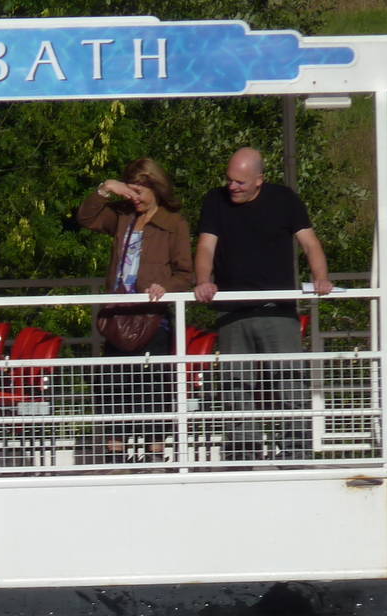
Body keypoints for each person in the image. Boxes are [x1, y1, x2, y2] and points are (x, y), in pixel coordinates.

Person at [193, 147, 333, 464]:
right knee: (235, 385)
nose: (233, 187)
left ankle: (296, 452)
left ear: (260, 180)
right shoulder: (215, 201)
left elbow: (310, 243)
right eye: (229, 180)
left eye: (240, 182)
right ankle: (243, 453)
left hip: (278, 310)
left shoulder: (284, 199)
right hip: (233, 310)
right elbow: (205, 246)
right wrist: (203, 280)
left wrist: (321, 278)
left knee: (290, 382)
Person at [76, 158, 193, 462]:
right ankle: (116, 456)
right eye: (132, 192)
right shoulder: (123, 217)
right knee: (113, 385)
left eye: (140, 192)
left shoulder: (174, 223)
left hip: (152, 318)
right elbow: (86, 218)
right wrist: (105, 189)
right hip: (118, 314)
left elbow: (186, 274)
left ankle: (155, 456)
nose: (136, 199)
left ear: (156, 188)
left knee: (152, 387)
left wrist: (164, 286)